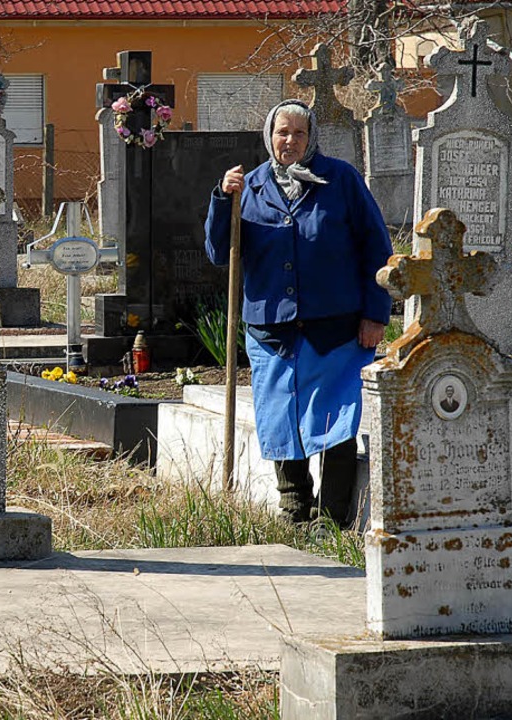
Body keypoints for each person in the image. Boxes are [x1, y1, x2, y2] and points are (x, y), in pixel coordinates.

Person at [204, 99, 393, 528]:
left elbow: (377, 249)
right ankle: (294, 508)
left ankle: (331, 515)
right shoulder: (247, 188)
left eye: (299, 133)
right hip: (273, 330)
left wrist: (376, 314)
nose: (290, 141)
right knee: (280, 418)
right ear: (269, 137)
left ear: (312, 138)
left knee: (335, 419)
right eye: (282, 132)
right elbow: (220, 254)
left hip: (337, 328)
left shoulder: (340, 179)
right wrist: (221, 199)